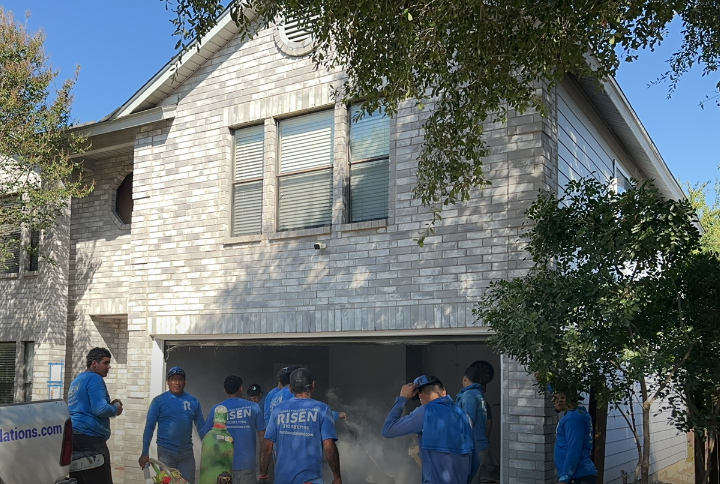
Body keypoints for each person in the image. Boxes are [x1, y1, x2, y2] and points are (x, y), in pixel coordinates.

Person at [382, 375, 479, 484]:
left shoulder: (425, 413)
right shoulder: (464, 416)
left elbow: (387, 429)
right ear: (444, 392)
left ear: (420, 396)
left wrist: (402, 398)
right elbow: (475, 461)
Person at [259, 368, 342, 484]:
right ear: (313, 385)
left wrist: (263, 475)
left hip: (282, 480)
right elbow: (329, 446)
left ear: (290, 388)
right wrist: (337, 477)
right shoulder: (322, 409)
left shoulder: (278, 410)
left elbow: (267, 446)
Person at [139, 366, 205, 484]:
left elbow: (201, 426)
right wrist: (145, 453)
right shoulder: (158, 401)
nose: (177, 383)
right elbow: (149, 427)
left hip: (187, 453)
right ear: (168, 382)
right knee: (167, 482)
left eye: (180, 379)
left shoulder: (193, 401)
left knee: (188, 482)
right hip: (166, 452)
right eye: (173, 379)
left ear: (185, 381)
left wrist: (209, 449)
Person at [68, 347, 123, 484]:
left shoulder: (77, 381)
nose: (108, 366)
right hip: (91, 440)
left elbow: (87, 408)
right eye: (105, 363)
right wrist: (116, 408)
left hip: (73, 438)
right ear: (94, 363)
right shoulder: (94, 378)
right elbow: (101, 409)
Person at [201, 376, 265, 484]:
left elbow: (206, 436)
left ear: (225, 390)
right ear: (241, 388)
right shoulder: (253, 407)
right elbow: (263, 438)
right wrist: (264, 468)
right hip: (247, 465)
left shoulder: (217, 409)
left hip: (222, 465)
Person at [553, 392, 598, 484]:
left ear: (564, 398)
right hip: (576, 476)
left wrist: (564, 478)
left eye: (555, 398)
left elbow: (574, 450)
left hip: (577, 477)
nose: (553, 401)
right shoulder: (578, 413)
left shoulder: (573, 418)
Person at [455, 365, 490, 484]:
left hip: (473, 448)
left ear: (465, 379)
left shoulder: (468, 395)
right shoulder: (478, 394)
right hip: (479, 446)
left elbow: (468, 421)